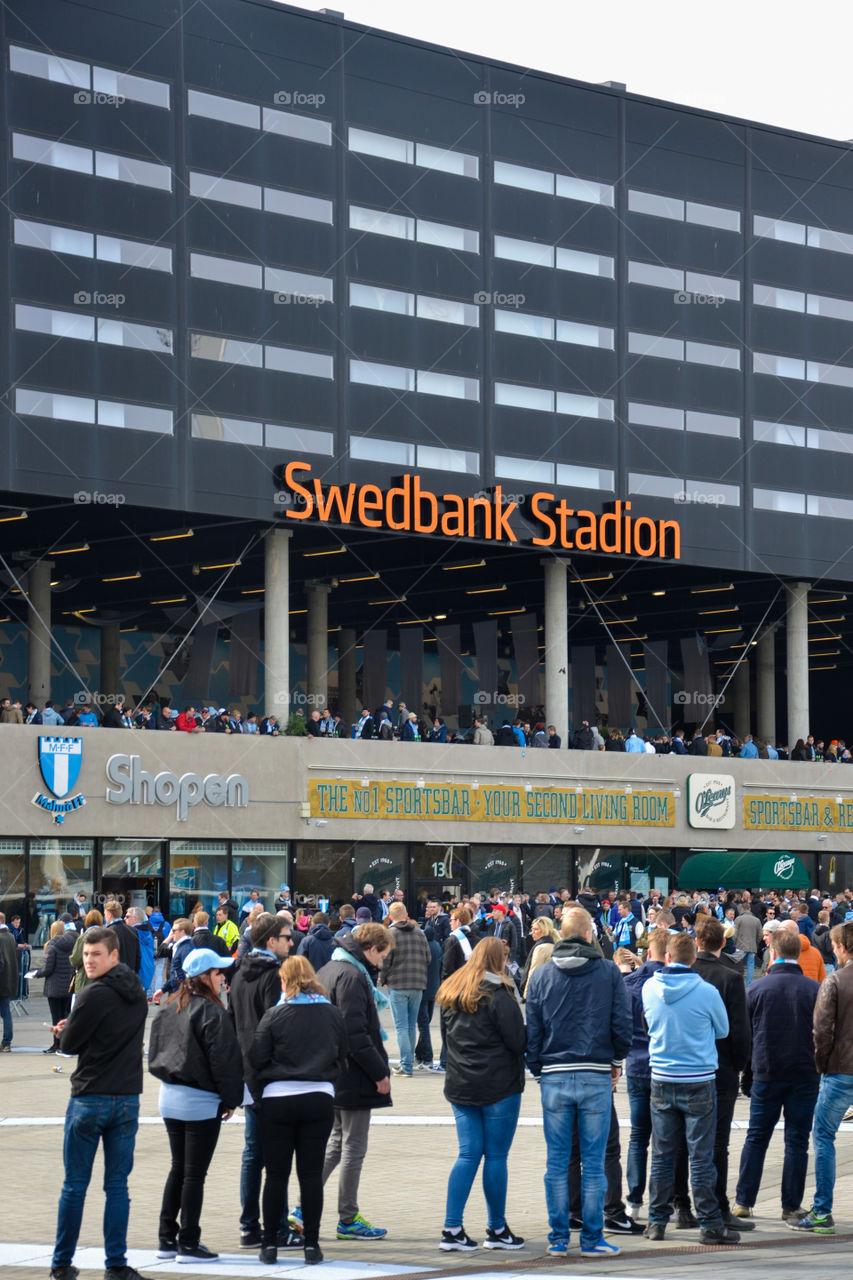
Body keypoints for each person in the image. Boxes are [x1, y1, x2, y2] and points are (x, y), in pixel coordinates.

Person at [525, 906, 631, 1259]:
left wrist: (538, 1069)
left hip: (554, 1075)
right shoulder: (607, 971)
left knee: (557, 1162)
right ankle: (591, 1239)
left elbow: (534, 1029)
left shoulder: (540, 976)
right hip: (595, 1074)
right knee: (594, 1159)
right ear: (589, 935)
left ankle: (557, 1239)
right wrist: (616, 1062)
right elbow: (622, 1023)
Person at [49, 926, 148, 1280]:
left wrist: (66, 1028)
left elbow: (70, 1045)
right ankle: (116, 1265)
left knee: (75, 1185)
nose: (89, 961)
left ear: (113, 955)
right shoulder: (136, 991)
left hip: (90, 1097)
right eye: (86, 955)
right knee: (117, 1186)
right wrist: (77, 1026)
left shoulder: (94, 995)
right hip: (126, 1097)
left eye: (95, 955)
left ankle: (62, 1264)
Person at [249, 956, 347, 1265]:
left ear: (285, 980)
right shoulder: (331, 1013)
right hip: (318, 1097)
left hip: (278, 1098)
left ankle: (269, 1245)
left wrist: (260, 1093)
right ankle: (312, 1244)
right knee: (310, 1174)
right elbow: (342, 1054)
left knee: (276, 1175)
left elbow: (256, 1058)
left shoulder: (274, 1015)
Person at [641, 932, 738, 1244]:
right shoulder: (706, 991)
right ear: (693, 958)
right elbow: (723, 1030)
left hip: (662, 1077)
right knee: (701, 1155)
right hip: (698, 1078)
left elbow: (647, 1025)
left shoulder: (649, 987)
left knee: (662, 1155)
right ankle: (710, 1224)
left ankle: (656, 1222)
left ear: (667, 957)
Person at [148, 948, 243, 1262]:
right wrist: (231, 1099)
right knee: (193, 1175)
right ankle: (188, 1242)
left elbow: (155, 1055)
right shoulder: (212, 1012)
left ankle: (166, 1238)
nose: (223, 978)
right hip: (200, 1101)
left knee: (179, 1169)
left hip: (169, 1097)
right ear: (204, 976)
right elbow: (224, 1062)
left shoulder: (169, 1005)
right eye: (218, 973)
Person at [435, 938, 526, 1251]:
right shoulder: (497, 993)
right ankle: (497, 1228)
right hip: (499, 1084)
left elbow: (447, 1041)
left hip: (460, 1083)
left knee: (468, 1153)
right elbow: (517, 1040)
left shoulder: (451, 990)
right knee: (496, 1156)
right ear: (497, 961)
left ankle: (452, 1228)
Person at [732, 926, 820, 1224]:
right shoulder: (814, 989)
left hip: (766, 1072)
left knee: (756, 1137)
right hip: (805, 1073)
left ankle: (744, 1201)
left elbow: (744, 1036)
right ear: (797, 954)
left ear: (773, 954)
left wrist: (745, 1072)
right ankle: (791, 1206)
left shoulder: (756, 989)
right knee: (797, 1140)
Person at [312, 923, 394, 1239]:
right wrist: (379, 1073)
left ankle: (304, 1208)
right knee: (353, 1147)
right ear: (371, 948)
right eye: (382, 955)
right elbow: (355, 1033)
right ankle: (347, 1218)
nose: (382, 962)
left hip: (334, 1071)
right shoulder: (351, 975)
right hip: (353, 1074)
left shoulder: (331, 968)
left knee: (335, 1143)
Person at [227, 913, 297, 1249]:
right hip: (270, 1075)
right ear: (271, 941)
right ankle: (278, 1228)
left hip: (248, 1072)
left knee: (253, 1153)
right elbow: (277, 1027)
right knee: (276, 1156)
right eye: (287, 936)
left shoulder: (240, 974)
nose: (292, 941)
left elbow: (232, 1021)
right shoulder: (273, 976)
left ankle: (249, 1227)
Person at [790, 921, 853, 1234]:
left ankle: (822, 1211)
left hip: (841, 1070)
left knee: (824, 1136)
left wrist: (821, 1065)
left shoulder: (836, 981)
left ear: (841, 947)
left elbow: (821, 1030)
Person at [692, 916, 752, 1232]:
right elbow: (740, 1029)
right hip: (722, 1066)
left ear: (697, 941)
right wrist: (740, 1064)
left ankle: (682, 1204)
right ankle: (717, 1205)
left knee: (681, 1141)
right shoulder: (731, 977)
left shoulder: (687, 973)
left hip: (687, 1067)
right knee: (718, 1142)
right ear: (723, 943)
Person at [380, 902, 431, 1078]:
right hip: (417, 984)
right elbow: (428, 958)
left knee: (401, 1025)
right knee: (410, 1025)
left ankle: (406, 1065)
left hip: (397, 983)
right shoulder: (420, 933)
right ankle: (408, 1063)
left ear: (391, 916)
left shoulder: (390, 934)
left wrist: (383, 979)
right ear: (407, 914)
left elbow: (385, 961)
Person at [33, 919, 77, 1053]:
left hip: (54, 986)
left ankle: (56, 1044)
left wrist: (36, 974)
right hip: (67, 985)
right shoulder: (72, 944)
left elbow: (48, 969)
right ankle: (65, 1043)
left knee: (55, 1017)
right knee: (65, 1016)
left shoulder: (52, 946)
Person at [519, 915, 558, 997]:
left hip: (541, 992)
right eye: (532, 929)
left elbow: (533, 973)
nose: (532, 932)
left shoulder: (541, 948)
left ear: (544, 930)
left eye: (536, 929)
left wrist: (526, 995)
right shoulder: (553, 943)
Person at [103, 901, 141, 975]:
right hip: (130, 975)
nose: (104, 917)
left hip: (113, 977)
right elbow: (138, 957)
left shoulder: (107, 932)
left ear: (109, 914)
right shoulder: (133, 930)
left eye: (105, 914)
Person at [0, 912, 18, 1051]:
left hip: (1, 979)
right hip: (9, 980)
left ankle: (6, 1042)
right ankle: (7, 1042)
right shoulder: (11, 937)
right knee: (6, 1012)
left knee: (5, 1011)